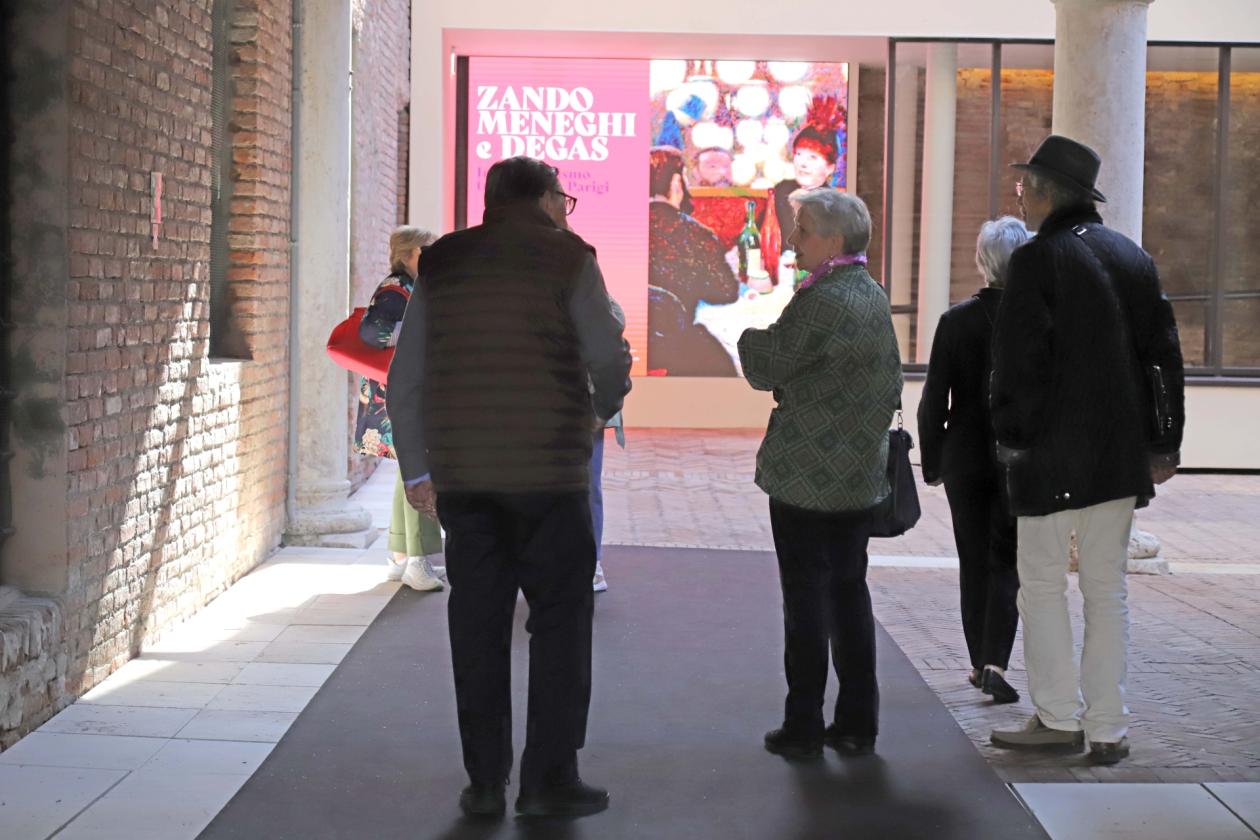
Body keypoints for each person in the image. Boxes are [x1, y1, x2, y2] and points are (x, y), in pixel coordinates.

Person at [387, 156, 632, 818]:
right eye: (564, 200)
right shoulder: (569, 258)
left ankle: (484, 783)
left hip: (466, 479)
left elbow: (406, 375)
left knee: (477, 629)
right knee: (560, 627)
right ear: (546, 200)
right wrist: (599, 409)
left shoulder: (443, 261)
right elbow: (608, 354)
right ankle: (549, 780)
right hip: (550, 477)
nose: (566, 211)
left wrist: (417, 470)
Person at [988, 135, 1185, 765]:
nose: (1019, 194)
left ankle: (1057, 717)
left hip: (1048, 456)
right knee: (1107, 592)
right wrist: (1164, 442)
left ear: (1044, 192)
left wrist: (1011, 438)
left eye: (1024, 185)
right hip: (1119, 457)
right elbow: (1164, 359)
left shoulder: (1036, 260)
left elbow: (1019, 363)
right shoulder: (1132, 257)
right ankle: (1107, 728)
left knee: (1042, 587)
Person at [738, 189, 902, 760]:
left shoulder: (822, 299)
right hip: (857, 474)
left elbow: (768, 364)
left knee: (805, 600)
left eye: (803, 230)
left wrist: (749, 337)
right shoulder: (870, 293)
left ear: (833, 240)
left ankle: (803, 723)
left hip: (806, 477)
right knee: (849, 594)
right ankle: (857, 722)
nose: (793, 240)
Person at [918, 216, 1031, 705]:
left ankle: (977, 660)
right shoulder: (1038, 322)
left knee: (973, 559)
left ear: (982, 261)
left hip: (963, 456)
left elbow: (933, 400)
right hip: (1018, 456)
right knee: (1008, 559)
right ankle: (995, 662)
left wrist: (932, 461)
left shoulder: (956, 321)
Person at [353, 225, 445, 592]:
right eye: (427, 250)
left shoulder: (409, 287)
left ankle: (400, 556)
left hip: (396, 393)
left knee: (408, 470)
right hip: (399, 396)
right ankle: (417, 560)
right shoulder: (397, 289)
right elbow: (371, 333)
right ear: (409, 254)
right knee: (418, 467)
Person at [647, 145, 739, 375]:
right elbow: (726, 292)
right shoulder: (696, 234)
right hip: (678, 353)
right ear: (677, 183)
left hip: (622, 349)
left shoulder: (616, 231)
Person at [770, 95, 845, 251]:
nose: (803, 163)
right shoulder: (781, 190)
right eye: (799, 154)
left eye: (813, 157)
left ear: (830, 168)